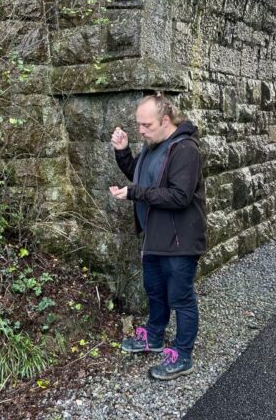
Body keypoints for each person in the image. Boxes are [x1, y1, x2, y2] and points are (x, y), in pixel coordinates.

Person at [109, 92, 207, 380]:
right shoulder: (154, 146)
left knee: (180, 297)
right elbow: (140, 177)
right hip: (155, 237)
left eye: (146, 125)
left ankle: (182, 354)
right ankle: (153, 337)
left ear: (165, 120)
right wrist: (123, 152)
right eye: (138, 124)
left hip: (180, 241)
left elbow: (179, 195)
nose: (140, 130)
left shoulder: (185, 149)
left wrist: (134, 194)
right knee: (155, 291)